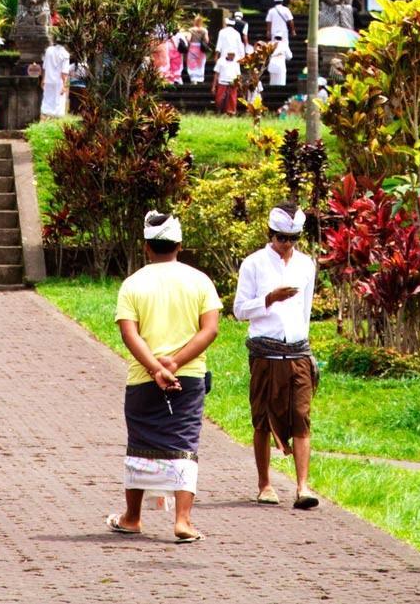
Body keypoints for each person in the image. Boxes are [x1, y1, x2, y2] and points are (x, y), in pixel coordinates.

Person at [106, 211, 220, 544]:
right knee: (184, 443)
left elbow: (130, 335)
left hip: (143, 378)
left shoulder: (133, 284)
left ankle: (132, 517)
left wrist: (156, 369)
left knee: (139, 444)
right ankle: (183, 520)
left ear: (146, 247)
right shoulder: (200, 281)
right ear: (179, 245)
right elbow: (209, 330)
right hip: (188, 378)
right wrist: (175, 363)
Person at [233, 205, 320, 509]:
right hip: (265, 352)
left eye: (293, 238)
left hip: (297, 351)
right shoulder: (254, 264)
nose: (287, 245)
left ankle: (303, 487)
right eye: (282, 238)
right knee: (262, 420)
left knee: (301, 418)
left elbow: (306, 310)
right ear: (270, 234)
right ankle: (265, 484)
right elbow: (239, 310)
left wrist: (305, 345)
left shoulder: (306, 265)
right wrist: (269, 299)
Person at [213, 15, 246, 114]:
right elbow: (240, 47)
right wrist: (242, 58)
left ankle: (224, 109)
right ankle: (229, 109)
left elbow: (219, 46)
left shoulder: (222, 32)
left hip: (224, 57)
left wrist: (216, 56)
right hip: (234, 58)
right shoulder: (236, 33)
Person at [40, 39, 71, 118]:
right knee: (59, 102)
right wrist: (64, 85)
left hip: (48, 80)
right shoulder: (65, 54)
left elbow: (45, 67)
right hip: (59, 81)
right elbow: (64, 72)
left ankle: (46, 118)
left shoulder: (48, 50)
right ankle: (56, 120)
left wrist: (43, 79)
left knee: (47, 100)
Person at [184, 17, 208, 84]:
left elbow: (188, 39)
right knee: (200, 63)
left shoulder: (191, 30)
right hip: (201, 49)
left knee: (192, 63)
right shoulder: (204, 30)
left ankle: (193, 79)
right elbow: (207, 40)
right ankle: (200, 78)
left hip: (192, 48)